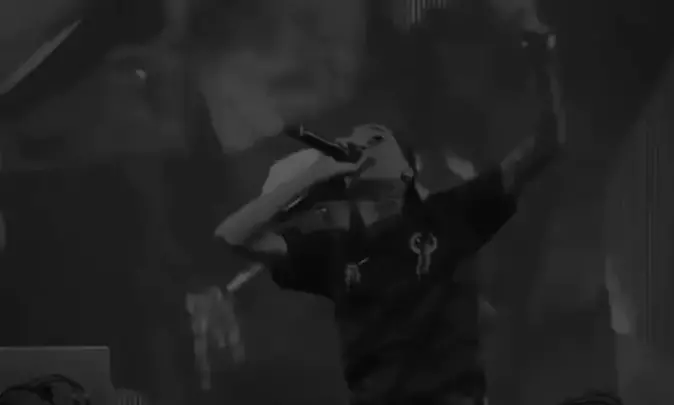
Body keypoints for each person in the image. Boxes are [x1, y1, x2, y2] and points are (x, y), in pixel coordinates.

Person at [200, 32, 565, 404]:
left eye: (376, 142)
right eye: (354, 145)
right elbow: (233, 236)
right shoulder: (337, 249)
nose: (360, 148)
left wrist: (544, 64)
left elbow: (544, 146)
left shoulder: (445, 217)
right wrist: (310, 177)